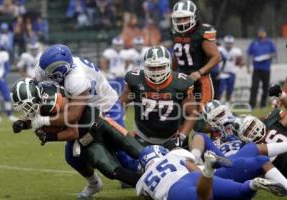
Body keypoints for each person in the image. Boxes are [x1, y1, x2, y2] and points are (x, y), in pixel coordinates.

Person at [20, 44, 142, 198]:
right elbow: (36, 95)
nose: (44, 75)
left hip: (105, 106)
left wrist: (42, 121)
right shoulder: (44, 69)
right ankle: (95, 184)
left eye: (48, 73)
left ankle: (152, 171)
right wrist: (27, 119)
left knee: (124, 153)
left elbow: (73, 116)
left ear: (61, 71)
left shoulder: (76, 78)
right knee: (73, 156)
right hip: (85, 110)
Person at [136, 145, 286, 200]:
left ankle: (209, 169)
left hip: (176, 189)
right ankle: (252, 184)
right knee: (241, 192)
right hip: (195, 176)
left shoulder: (142, 182)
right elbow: (192, 167)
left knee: (204, 197)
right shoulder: (173, 155)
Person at [120, 46, 197, 146]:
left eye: (160, 66)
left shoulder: (182, 83)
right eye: (152, 67)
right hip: (142, 135)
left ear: (168, 65)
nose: (156, 71)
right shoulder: (134, 79)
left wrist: (182, 136)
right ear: (145, 66)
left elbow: (192, 113)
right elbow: (120, 105)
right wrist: (124, 131)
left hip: (172, 137)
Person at [171, 0, 221, 108]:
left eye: (185, 18)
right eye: (179, 18)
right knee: (178, 114)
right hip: (181, 79)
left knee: (203, 115)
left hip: (200, 81)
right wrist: (171, 73)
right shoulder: (174, 32)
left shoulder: (202, 31)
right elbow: (177, 56)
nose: (182, 21)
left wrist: (199, 72)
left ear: (194, 16)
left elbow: (216, 57)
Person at [100, 37, 128, 126]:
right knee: (111, 96)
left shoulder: (125, 53)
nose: (118, 47)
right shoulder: (109, 52)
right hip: (113, 77)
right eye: (117, 45)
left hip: (122, 77)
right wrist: (106, 72)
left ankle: (122, 113)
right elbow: (103, 61)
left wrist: (125, 70)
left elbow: (128, 61)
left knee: (123, 97)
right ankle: (107, 113)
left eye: (120, 45)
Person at [247, 28, 276, 109]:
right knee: (254, 87)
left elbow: (274, 53)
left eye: (262, 33)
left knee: (265, 87)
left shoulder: (269, 42)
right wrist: (248, 67)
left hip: (266, 69)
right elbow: (249, 55)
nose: (261, 34)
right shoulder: (254, 43)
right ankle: (252, 105)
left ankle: (263, 105)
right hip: (256, 69)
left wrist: (267, 56)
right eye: (260, 33)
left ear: (265, 34)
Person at [218, 35, 243, 103]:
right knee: (220, 90)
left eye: (230, 43)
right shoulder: (220, 49)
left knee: (229, 90)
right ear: (225, 43)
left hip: (231, 73)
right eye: (227, 43)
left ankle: (227, 104)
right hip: (221, 73)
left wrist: (238, 66)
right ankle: (218, 104)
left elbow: (241, 61)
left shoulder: (236, 51)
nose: (229, 45)